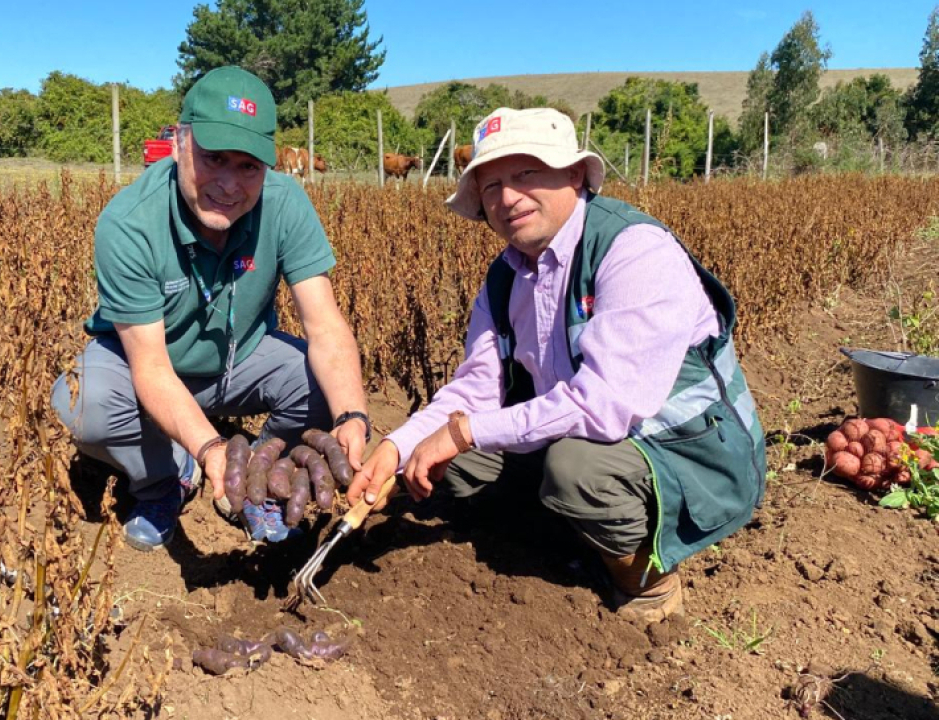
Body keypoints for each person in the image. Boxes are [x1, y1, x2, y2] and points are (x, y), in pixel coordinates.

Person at [348, 107, 766, 622]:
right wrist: (396, 448)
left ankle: (646, 582)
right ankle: (567, 533)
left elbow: (602, 407)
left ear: (574, 175)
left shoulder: (633, 250)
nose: (507, 197)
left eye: (526, 173)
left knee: (575, 471)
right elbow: (474, 391)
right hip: (585, 435)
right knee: (448, 463)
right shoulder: (504, 277)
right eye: (491, 185)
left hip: (690, 454)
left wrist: (463, 433)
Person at [52, 67, 368, 552]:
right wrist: (209, 447)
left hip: (238, 358)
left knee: (325, 386)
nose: (229, 184)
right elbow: (151, 366)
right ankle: (166, 478)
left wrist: (352, 416)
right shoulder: (130, 222)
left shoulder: (286, 203)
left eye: (249, 167)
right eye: (214, 158)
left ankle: (259, 476)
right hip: (142, 365)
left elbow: (326, 326)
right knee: (82, 406)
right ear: (179, 142)